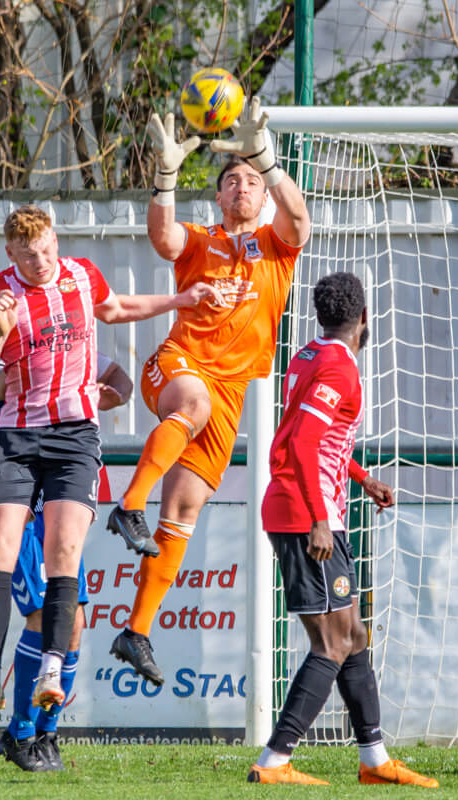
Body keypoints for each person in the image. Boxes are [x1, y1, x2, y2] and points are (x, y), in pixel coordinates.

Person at [0, 204, 222, 722]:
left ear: (57, 239)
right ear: (10, 253)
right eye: (28, 255)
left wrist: (181, 299)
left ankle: (52, 670)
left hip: (75, 438)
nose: (41, 261)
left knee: (65, 553)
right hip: (17, 437)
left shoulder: (81, 275)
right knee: (0, 548)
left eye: (47, 249)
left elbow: (118, 308)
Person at [106, 99, 312, 686]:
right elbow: (164, 239)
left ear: (265, 194)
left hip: (229, 395)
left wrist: (266, 161)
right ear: (218, 199)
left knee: (185, 510)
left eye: (251, 180)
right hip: (177, 368)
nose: (242, 186)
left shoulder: (278, 245)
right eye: (231, 181)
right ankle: (127, 505)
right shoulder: (203, 239)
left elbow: (300, 220)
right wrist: (166, 176)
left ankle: (136, 631)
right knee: (190, 406)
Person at [246, 272, 434, 787]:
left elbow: (320, 440)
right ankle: (274, 760)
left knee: (353, 636)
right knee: (331, 643)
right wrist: (319, 518)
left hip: (307, 507)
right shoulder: (338, 371)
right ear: (366, 318)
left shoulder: (308, 355)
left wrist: (361, 477)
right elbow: (303, 444)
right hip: (306, 515)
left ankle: (374, 761)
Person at [0, 356, 132, 772]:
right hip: (14, 508)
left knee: (74, 621)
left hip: (55, 503)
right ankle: (21, 733)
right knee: (42, 614)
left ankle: (47, 731)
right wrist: (74, 387)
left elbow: (122, 381)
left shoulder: (66, 351)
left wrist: (109, 393)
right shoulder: (3, 364)